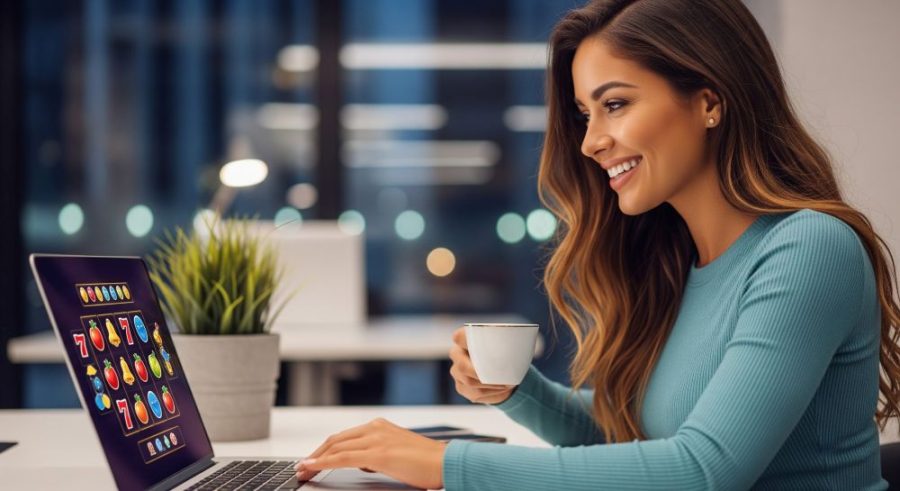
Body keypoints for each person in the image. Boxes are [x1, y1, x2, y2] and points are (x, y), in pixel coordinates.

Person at [294, 0, 900, 488]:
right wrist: (518, 390)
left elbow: (700, 470)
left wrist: (441, 465)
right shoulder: (681, 263)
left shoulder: (808, 250)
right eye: (586, 114)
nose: (590, 142)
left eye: (615, 105)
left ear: (710, 102)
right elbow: (631, 440)